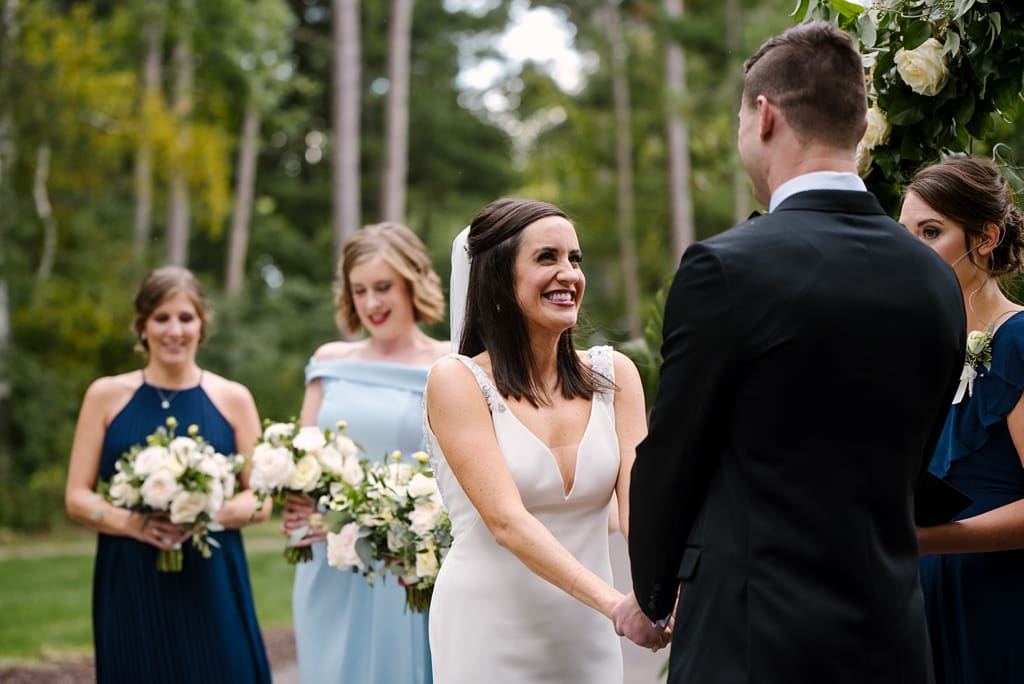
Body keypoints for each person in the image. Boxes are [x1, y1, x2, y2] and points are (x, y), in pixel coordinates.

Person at [615, 22, 967, 684]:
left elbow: (673, 453)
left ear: (764, 116)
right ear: (861, 128)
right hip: (890, 639)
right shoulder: (934, 280)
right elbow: (912, 463)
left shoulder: (726, 269)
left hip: (752, 641)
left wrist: (654, 595)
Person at [424, 197, 660, 684]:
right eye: (546, 258)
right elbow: (507, 522)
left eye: (575, 259)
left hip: (590, 633)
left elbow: (642, 505)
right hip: (488, 632)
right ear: (498, 279)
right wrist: (616, 604)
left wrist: (659, 594)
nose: (569, 274)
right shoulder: (458, 382)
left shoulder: (615, 376)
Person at [64, 265, 272, 683]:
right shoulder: (105, 395)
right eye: (161, 318)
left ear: (201, 325)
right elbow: (77, 496)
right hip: (131, 574)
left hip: (212, 573)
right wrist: (132, 522)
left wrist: (201, 515)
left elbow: (261, 499)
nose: (174, 330)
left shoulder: (233, 399)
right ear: (142, 326)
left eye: (185, 318)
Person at [280, 222, 449, 683]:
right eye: (359, 290)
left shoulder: (451, 364)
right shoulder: (330, 362)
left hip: (407, 562)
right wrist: (292, 501)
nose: (371, 303)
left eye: (382, 287)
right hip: (330, 559)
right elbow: (304, 459)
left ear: (411, 283)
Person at [900, 155, 1024, 683]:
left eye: (931, 232)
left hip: (1001, 602)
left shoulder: (1018, 340)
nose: (911, 251)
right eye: (903, 233)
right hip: (923, 600)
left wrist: (925, 539)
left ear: (987, 237)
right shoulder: (925, 351)